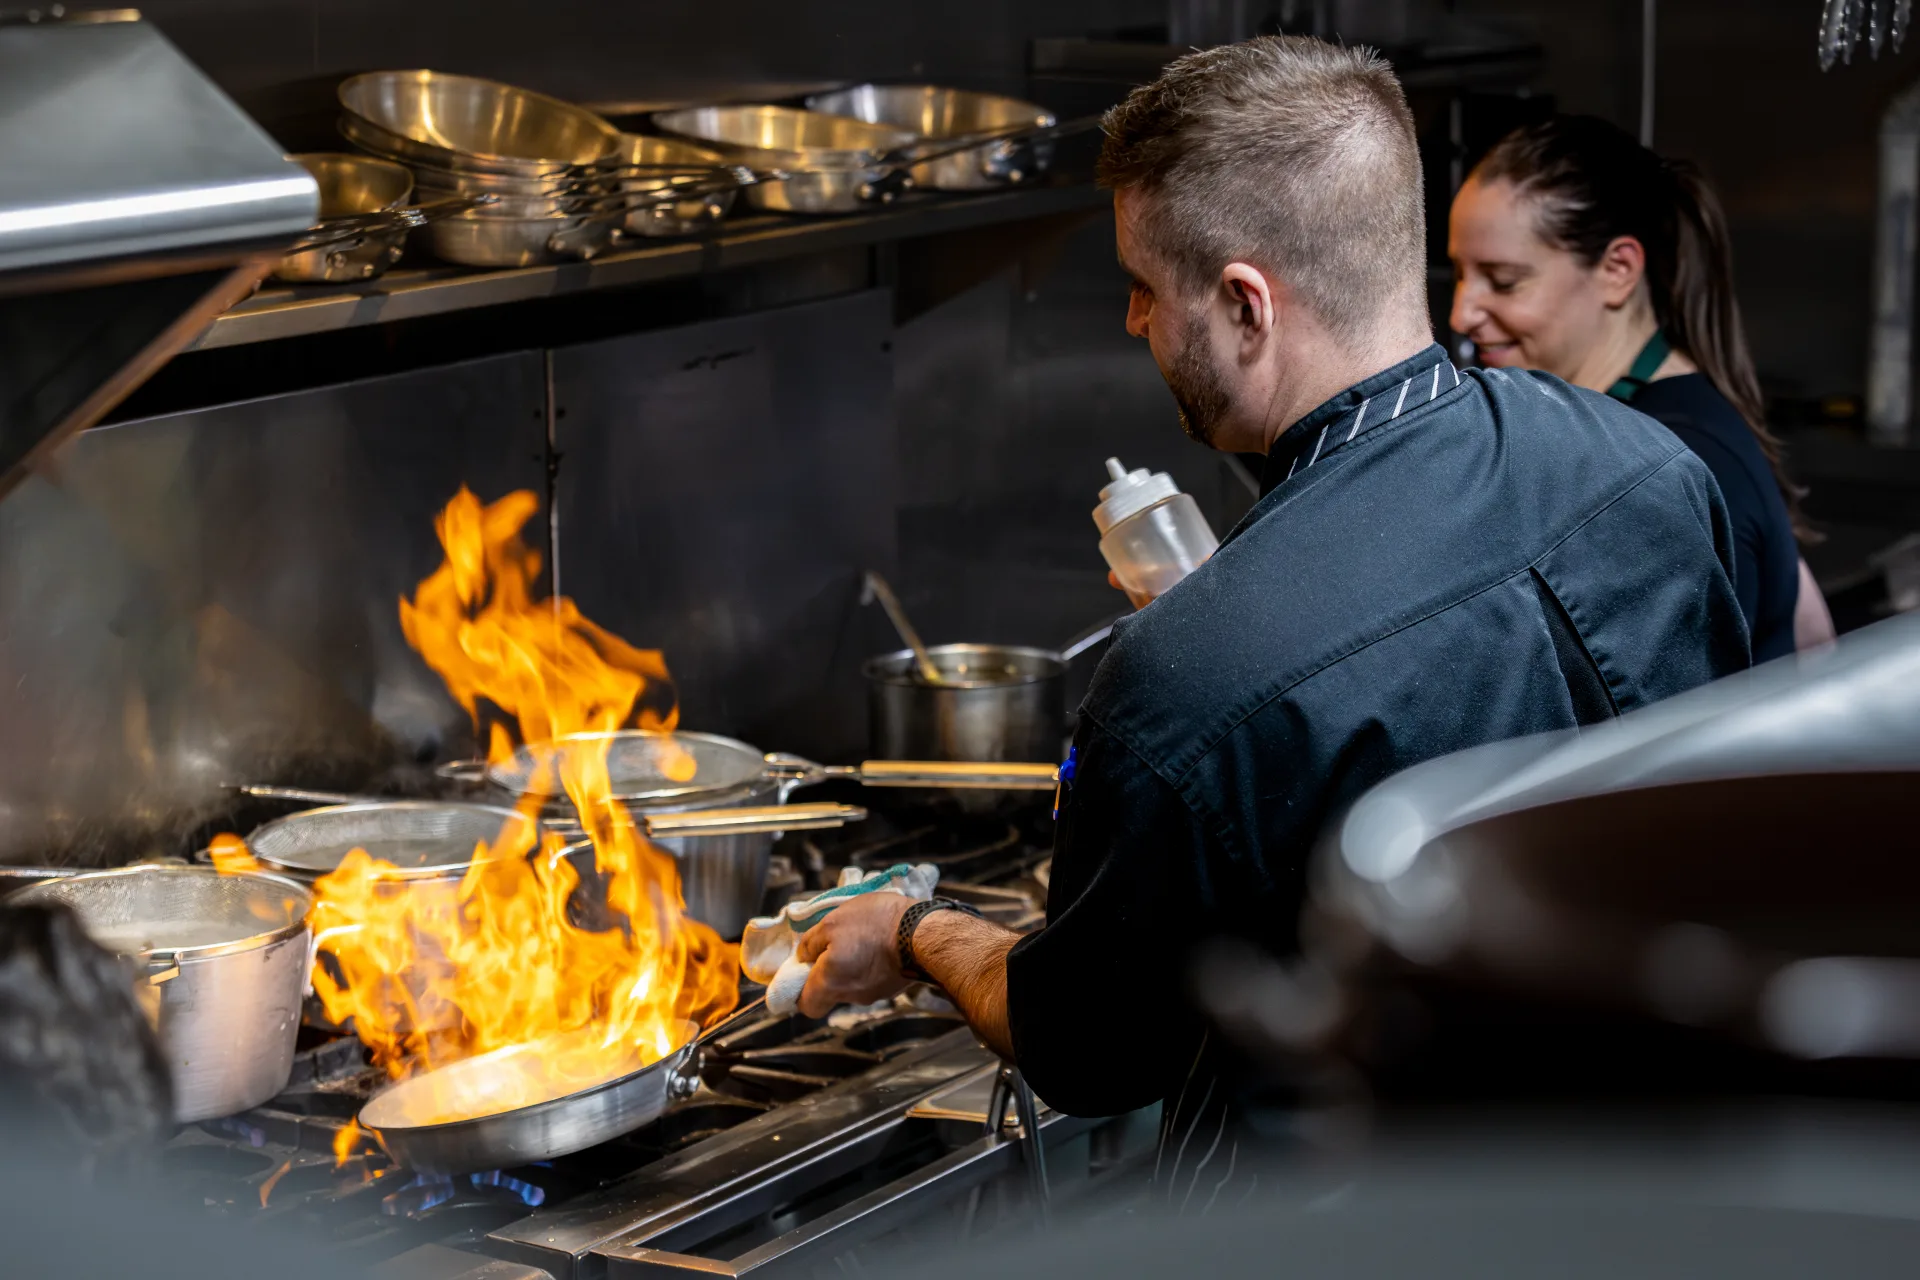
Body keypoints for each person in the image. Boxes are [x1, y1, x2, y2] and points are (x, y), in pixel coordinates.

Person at [795, 36, 1749, 1198]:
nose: (1136, 322)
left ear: (1247, 303)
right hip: (1652, 1178)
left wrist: (909, 929)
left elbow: (1085, 1045)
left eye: (1144, 285)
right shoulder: (1651, 469)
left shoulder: (1186, 676)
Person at [1449, 114, 1836, 662]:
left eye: (1504, 281)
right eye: (1459, 273)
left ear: (1617, 270)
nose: (1462, 313)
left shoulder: (1678, 460)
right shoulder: (1630, 428)